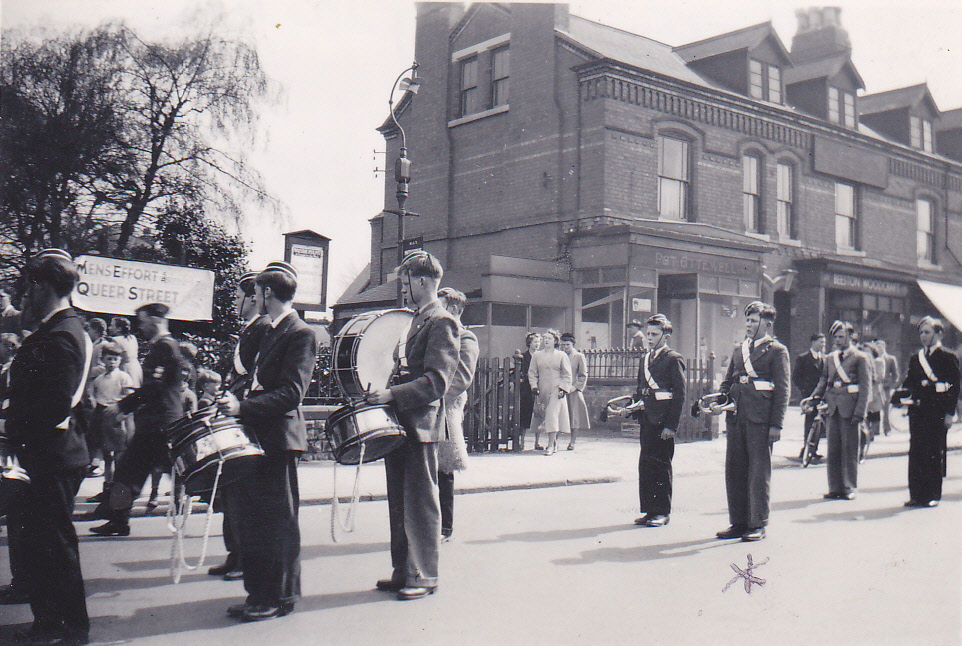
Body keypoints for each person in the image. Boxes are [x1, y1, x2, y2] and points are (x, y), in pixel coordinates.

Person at [217, 261, 318, 620]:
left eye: (256, 292)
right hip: (262, 435)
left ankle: (277, 597)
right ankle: (260, 594)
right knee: (256, 521)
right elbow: (257, 379)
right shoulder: (271, 329)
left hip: (278, 438)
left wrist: (242, 408)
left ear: (268, 294)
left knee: (277, 523)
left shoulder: (300, 332)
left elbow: (292, 392)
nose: (253, 298)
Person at [5, 248, 93, 645]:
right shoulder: (55, 330)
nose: (25, 295)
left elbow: (55, 403)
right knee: (41, 541)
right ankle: (48, 621)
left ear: (42, 285)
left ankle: (69, 628)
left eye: (30, 286)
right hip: (45, 450)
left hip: (52, 453)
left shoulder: (63, 335)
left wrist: (8, 425)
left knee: (54, 546)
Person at [366, 251, 459, 601]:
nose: (403, 288)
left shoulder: (442, 321)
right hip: (402, 424)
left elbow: (436, 383)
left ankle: (423, 575)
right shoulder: (417, 320)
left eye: (406, 281)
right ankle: (402, 570)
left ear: (421, 281)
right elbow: (404, 369)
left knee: (419, 504)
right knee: (399, 502)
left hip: (420, 425)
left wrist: (391, 394)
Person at [89, 303, 186, 537]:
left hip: (161, 423)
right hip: (157, 422)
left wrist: (123, 406)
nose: (140, 327)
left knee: (137, 470)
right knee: (130, 471)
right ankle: (118, 520)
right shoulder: (163, 346)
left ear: (155, 320)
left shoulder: (165, 347)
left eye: (143, 322)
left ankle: (118, 519)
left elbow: (153, 387)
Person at [208, 270, 270, 582]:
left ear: (252, 298)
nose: (235, 300)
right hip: (235, 415)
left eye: (238, 295)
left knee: (243, 493)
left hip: (246, 419)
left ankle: (243, 558)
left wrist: (232, 398)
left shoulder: (260, 328)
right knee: (231, 489)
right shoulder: (249, 330)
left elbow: (252, 375)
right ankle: (235, 554)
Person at [714, 301, 789, 542]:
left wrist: (777, 424)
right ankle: (738, 521)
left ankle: (757, 523)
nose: (749, 324)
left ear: (767, 324)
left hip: (760, 420)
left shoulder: (777, 351)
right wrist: (718, 401)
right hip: (736, 417)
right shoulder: (739, 350)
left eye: (754, 321)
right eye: (747, 320)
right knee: (734, 470)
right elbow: (728, 382)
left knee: (758, 473)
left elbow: (783, 390)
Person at [628, 314, 685, 528]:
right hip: (647, 420)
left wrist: (671, 425)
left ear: (666, 335)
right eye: (649, 334)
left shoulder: (673, 358)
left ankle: (662, 511)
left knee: (661, 466)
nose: (650, 338)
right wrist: (634, 406)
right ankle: (649, 510)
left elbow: (679, 395)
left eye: (654, 334)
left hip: (663, 422)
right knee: (646, 465)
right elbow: (641, 390)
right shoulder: (645, 359)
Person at [898, 316, 960, 507]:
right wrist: (901, 395)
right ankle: (916, 494)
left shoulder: (948, 357)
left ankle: (932, 494)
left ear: (938, 334)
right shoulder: (916, 358)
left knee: (933, 452)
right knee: (916, 452)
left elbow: (954, 387)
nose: (923, 336)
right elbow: (909, 382)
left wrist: (950, 413)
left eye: (927, 332)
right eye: (921, 333)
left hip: (937, 411)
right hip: (918, 411)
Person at [808, 321, 870, 501]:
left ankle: (849, 486)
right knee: (833, 449)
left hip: (850, 409)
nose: (837, 340)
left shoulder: (860, 357)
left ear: (851, 337)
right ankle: (834, 487)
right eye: (835, 337)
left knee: (849, 449)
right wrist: (813, 399)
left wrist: (860, 412)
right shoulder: (830, 358)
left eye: (841, 336)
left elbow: (865, 388)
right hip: (833, 408)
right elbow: (823, 381)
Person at [436, 287, 479, 541]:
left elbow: (462, 378)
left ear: (454, 310)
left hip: (447, 406)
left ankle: (446, 527)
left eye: (442, 306)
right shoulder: (437, 335)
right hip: (431, 406)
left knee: (445, 467)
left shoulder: (466, 338)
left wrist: (431, 395)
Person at [0, 331, 29, 607]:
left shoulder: (17, 371)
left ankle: (24, 584)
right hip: (9, 448)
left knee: (19, 522)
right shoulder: (8, 371)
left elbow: (12, 410)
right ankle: (20, 582)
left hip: (16, 452)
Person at [88, 341, 135, 495]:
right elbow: (94, 396)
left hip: (117, 418)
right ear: (103, 359)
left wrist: (122, 416)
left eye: (115, 359)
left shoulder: (124, 377)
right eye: (109, 359)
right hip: (102, 417)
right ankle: (107, 488)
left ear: (120, 361)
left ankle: (119, 488)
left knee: (119, 456)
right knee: (107, 456)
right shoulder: (99, 379)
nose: (112, 362)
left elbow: (130, 400)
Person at [529, 329, 572, 456]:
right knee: (543, 416)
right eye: (545, 338)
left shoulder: (561, 355)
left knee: (552, 415)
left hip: (556, 389)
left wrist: (563, 389)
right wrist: (534, 386)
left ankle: (550, 445)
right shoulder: (537, 355)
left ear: (555, 341)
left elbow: (567, 374)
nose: (546, 340)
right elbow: (532, 373)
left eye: (549, 338)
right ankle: (553, 443)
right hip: (542, 389)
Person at [793, 333, 825, 461]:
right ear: (813, 342)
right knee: (809, 421)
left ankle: (814, 449)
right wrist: (804, 390)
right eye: (820, 342)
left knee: (819, 423)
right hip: (809, 395)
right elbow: (796, 377)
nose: (823, 345)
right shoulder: (803, 358)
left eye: (824, 343)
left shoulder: (824, 359)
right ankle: (806, 449)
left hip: (821, 395)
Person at [560, 332, 590, 451]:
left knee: (574, 416)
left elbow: (583, 375)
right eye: (563, 345)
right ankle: (555, 441)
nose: (565, 347)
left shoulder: (578, 356)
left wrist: (575, 387)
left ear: (573, 344)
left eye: (567, 344)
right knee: (559, 415)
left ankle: (572, 442)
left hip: (573, 391)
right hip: (561, 389)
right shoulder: (559, 355)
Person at [514, 332, 540, 451]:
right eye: (535, 342)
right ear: (529, 343)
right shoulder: (523, 356)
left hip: (538, 388)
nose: (537, 344)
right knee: (524, 415)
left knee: (538, 414)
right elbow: (519, 372)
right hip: (525, 389)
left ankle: (537, 442)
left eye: (539, 342)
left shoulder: (541, 356)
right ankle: (522, 442)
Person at [109, 316, 143, 387]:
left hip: (125, 369)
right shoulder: (132, 338)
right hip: (136, 367)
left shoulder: (116, 340)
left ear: (119, 329)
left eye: (112, 325)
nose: (109, 328)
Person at [878, 339, 899, 435]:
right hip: (876, 387)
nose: (879, 349)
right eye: (877, 347)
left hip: (886, 387)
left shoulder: (890, 359)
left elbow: (895, 375)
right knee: (875, 408)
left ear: (884, 347)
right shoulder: (874, 358)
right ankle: (876, 429)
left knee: (886, 409)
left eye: (881, 347)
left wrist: (892, 387)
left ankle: (887, 429)